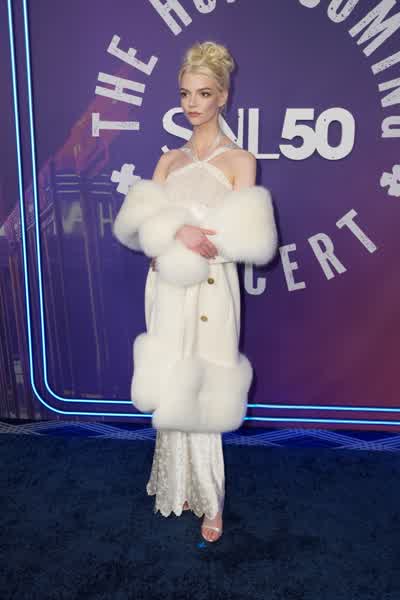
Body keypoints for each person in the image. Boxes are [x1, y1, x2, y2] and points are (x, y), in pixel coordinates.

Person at [112, 41, 278, 543]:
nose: (192, 103)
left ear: (222, 96)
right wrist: (172, 233)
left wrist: (190, 238)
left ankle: (210, 496)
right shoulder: (168, 161)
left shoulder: (241, 160)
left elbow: (249, 239)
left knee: (205, 387)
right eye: (185, 93)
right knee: (171, 380)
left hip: (212, 291)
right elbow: (140, 230)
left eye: (204, 93)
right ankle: (175, 484)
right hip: (166, 289)